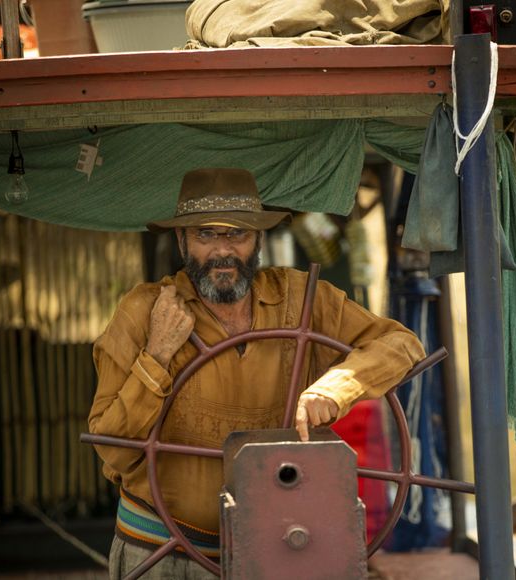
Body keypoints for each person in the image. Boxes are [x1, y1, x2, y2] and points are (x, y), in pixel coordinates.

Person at [88, 167, 425, 579]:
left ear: (259, 240)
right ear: (181, 241)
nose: (221, 251)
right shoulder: (144, 312)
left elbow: (403, 345)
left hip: (277, 547)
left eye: (237, 234)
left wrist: (336, 388)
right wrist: (156, 355)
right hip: (161, 555)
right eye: (205, 235)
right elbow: (112, 448)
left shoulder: (301, 299)